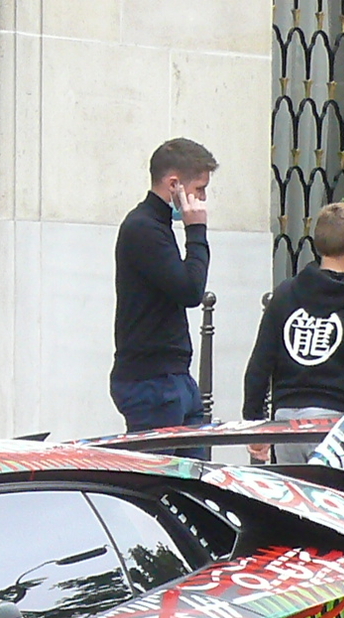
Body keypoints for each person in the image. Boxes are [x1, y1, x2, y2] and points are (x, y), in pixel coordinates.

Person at [243, 202, 344, 464]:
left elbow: (259, 365)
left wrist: (256, 423)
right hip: (336, 423)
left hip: (286, 422)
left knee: (290, 501)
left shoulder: (285, 293)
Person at [111, 138, 218, 432]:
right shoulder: (143, 227)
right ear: (174, 185)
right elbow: (190, 290)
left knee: (193, 475)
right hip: (151, 382)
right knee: (162, 475)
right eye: (199, 189)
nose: (203, 198)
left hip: (173, 375)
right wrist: (196, 229)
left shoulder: (157, 225)